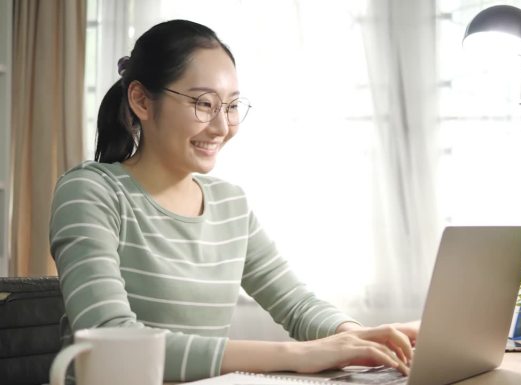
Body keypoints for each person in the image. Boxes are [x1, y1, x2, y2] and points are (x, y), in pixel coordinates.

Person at [49, 19, 418, 383]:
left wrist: (360, 338)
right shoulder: (90, 192)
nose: (222, 127)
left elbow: (297, 304)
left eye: (231, 106)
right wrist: (300, 355)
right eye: (204, 103)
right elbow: (111, 340)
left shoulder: (230, 204)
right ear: (142, 100)